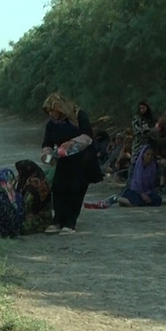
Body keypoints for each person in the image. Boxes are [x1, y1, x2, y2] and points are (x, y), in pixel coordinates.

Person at [40, 93, 103, 235]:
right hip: (64, 160)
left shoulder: (79, 116)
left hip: (83, 160)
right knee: (59, 187)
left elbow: (87, 136)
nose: (51, 114)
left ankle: (70, 222)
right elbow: (47, 143)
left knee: (76, 189)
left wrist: (73, 141)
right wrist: (47, 154)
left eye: (52, 110)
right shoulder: (51, 124)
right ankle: (57, 221)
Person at [14, 159, 53, 234]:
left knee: (15, 227)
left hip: (40, 219)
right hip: (40, 216)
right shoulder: (30, 181)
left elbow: (25, 206)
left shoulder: (33, 186)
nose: (18, 175)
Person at [129, 101, 155, 179]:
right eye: (140, 108)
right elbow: (137, 130)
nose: (142, 110)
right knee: (134, 162)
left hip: (148, 143)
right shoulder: (137, 118)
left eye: (143, 108)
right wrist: (148, 131)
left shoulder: (151, 118)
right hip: (138, 143)